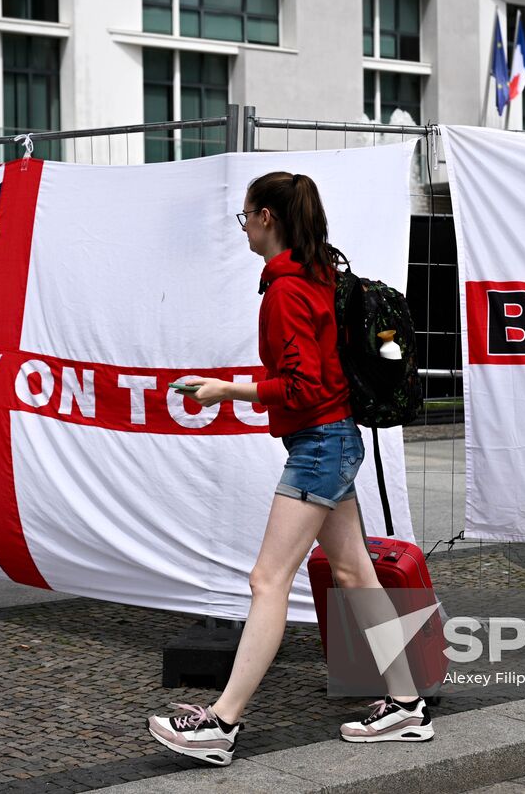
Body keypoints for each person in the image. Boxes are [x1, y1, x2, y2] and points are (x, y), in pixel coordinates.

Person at [146, 171, 432, 767]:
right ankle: (406, 705)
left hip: (320, 444)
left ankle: (221, 723)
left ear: (268, 218)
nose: (244, 226)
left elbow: (303, 387)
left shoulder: (285, 291)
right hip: (336, 439)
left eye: (246, 216)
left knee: (267, 581)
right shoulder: (316, 274)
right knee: (355, 575)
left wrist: (224, 389)